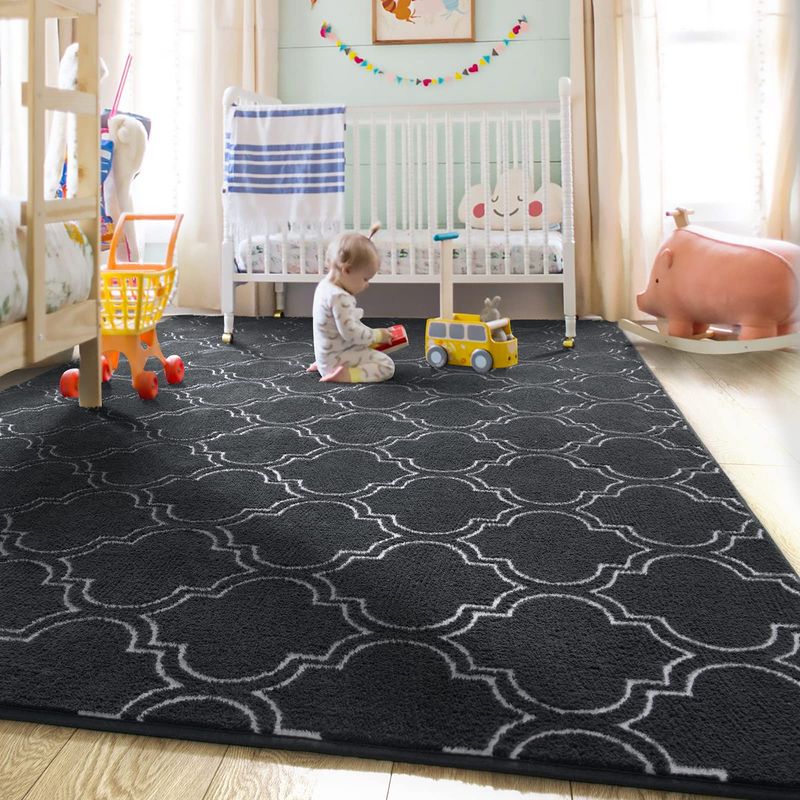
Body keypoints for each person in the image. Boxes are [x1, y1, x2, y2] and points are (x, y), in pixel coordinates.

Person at [309, 223, 395, 383]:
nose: (366, 285)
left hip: (326, 355)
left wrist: (372, 335)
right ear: (347, 270)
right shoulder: (340, 297)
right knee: (386, 365)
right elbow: (351, 334)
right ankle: (346, 375)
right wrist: (377, 335)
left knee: (370, 345)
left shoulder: (324, 286)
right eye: (365, 279)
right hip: (335, 361)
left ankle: (323, 363)